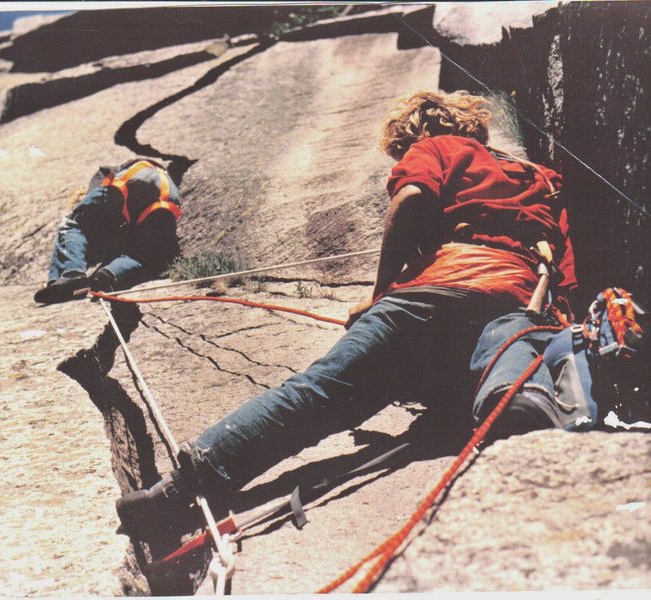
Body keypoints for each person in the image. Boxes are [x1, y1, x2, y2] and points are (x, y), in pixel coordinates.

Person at [116, 90, 578, 531]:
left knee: (319, 391)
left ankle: (177, 493)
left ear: (416, 134)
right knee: (505, 346)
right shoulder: (541, 177)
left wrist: (380, 293)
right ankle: (504, 398)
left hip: (430, 294)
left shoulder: (437, 146)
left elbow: (410, 199)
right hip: (515, 297)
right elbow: (565, 274)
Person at [34, 158, 181, 304]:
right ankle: (106, 276)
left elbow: (85, 232)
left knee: (74, 225)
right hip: (165, 202)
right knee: (144, 253)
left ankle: (70, 276)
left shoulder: (98, 185)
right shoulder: (151, 178)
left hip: (126, 187)